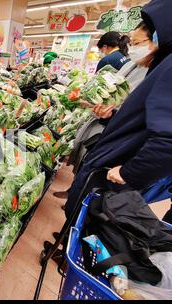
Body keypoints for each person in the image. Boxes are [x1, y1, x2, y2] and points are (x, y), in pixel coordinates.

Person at [64, 0, 172, 219]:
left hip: (117, 166)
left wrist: (128, 172)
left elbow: (167, 140)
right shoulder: (161, 63)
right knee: (83, 212)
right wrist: (112, 116)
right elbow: (144, 118)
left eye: (145, 28)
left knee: (93, 218)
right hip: (114, 156)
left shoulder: (169, 67)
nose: (135, 34)